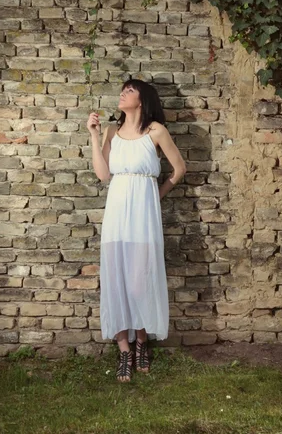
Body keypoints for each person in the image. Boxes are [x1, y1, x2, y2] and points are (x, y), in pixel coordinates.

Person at [86, 77, 187, 383]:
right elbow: (103, 175)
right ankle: (124, 350)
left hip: (144, 215)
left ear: (142, 99)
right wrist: (93, 136)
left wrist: (154, 197)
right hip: (117, 211)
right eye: (123, 89)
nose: (122, 93)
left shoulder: (156, 131)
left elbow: (179, 169)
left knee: (139, 281)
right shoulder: (111, 131)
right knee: (116, 279)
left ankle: (142, 340)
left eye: (129, 90)